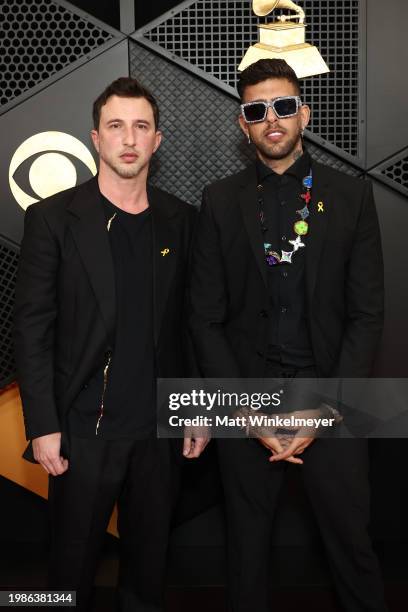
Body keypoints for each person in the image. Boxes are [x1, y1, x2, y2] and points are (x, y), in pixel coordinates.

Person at [190, 59, 387, 611]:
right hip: (247, 398)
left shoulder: (352, 198)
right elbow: (204, 317)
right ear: (243, 124)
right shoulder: (220, 202)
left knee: (353, 549)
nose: (271, 119)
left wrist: (323, 408)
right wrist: (242, 411)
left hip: (329, 396)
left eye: (281, 106)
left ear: (303, 112)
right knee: (246, 557)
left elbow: (366, 314)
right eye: (257, 110)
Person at [14, 76, 207, 611]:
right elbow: (32, 328)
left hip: (157, 439)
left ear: (156, 141)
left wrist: (196, 409)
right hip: (80, 435)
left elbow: (193, 327)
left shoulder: (182, 222)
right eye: (116, 126)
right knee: (65, 579)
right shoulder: (53, 220)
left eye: (141, 126)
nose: (129, 138)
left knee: (147, 581)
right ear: (95, 138)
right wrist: (43, 425)